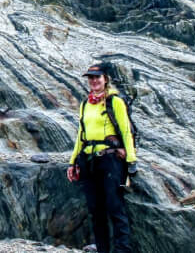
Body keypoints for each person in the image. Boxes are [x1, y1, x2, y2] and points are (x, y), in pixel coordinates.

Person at [66, 64, 136, 253]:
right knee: (96, 211)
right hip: (88, 160)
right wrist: (72, 162)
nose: (94, 81)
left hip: (110, 160)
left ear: (105, 79)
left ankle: (122, 250)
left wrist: (131, 160)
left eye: (97, 77)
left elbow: (125, 131)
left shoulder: (115, 102)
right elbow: (81, 134)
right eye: (91, 78)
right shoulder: (85, 104)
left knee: (115, 207)